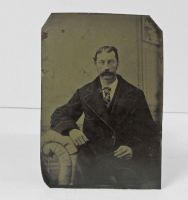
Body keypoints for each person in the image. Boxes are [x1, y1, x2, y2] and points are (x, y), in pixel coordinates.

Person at [50, 46, 161, 188]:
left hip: (124, 160)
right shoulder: (84, 93)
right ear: (95, 64)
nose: (106, 67)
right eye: (101, 62)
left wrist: (133, 149)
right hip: (92, 159)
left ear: (117, 63)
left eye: (111, 62)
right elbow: (59, 114)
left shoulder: (135, 94)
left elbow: (150, 133)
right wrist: (72, 130)